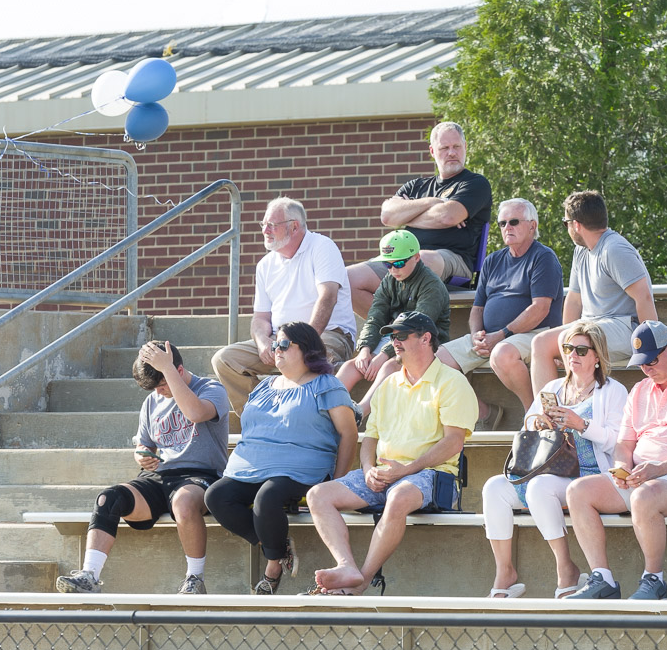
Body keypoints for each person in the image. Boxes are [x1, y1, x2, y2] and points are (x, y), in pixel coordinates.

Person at [306, 311, 478, 595]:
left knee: (398, 496)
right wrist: (367, 470)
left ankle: (361, 582)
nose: (394, 342)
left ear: (426, 338)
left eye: (402, 335)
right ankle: (346, 566)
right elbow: (370, 437)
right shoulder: (388, 384)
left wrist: (406, 470)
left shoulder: (452, 382)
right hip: (385, 474)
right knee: (317, 495)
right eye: (392, 336)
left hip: (433, 475)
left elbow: (453, 444)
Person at [565, 321, 667, 600]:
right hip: (650, 476)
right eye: (641, 363)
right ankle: (602, 579)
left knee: (643, 496)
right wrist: (620, 468)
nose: (647, 368)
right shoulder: (640, 390)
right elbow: (625, 444)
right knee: (578, 491)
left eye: (652, 360)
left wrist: (659, 469)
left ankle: (654, 580)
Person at [55, 341, 230, 595]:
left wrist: (167, 369)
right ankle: (89, 576)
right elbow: (143, 446)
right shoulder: (152, 401)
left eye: (162, 385)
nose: (159, 393)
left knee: (183, 503)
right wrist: (143, 456)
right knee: (108, 498)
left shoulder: (211, 388)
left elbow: (195, 413)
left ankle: (195, 579)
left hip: (201, 476)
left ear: (178, 370)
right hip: (159, 477)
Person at [205, 322, 359, 594]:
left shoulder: (326, 385)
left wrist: (338, 481)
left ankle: (273, 565)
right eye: (275, 344)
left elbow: (348, 433)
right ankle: (275, 543)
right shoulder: (265, 385)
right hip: (251, 467)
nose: (276, 349)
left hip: (302, 468)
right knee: (216, 497)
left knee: (268, 497)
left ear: (307, 349)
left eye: (284, 344)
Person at [481, 321, 628, 598]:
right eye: (569, 348)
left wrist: (580, 424)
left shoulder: (612, 391)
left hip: (589, 474)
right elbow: (528, 424)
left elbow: (618, 440)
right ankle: (505, 573)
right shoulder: (553, 388)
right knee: (493, 488)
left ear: (597, 356)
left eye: (582, 350)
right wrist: (539, 423)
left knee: (540, 487)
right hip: (551, 467)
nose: (573, 355)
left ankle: (566, 569)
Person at [211, 197, 357, 418]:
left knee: (319, 360)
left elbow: (328, 297)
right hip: (280, 340)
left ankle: (315, 421)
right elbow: (260, 318)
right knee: (224, 360)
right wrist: (262, 343)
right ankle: (262, 419)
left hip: (326, 334)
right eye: (263, 225)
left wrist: (303, 341)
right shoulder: (265, 265)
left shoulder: (322, 247)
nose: (265, 230)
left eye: (272, 225)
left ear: (294, 226)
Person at [437, 198, 564, 428]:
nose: (507, 228)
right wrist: (478, 335)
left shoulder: (543, 257)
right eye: (502, 223)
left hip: (535, 334)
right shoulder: (492, 260)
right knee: (435, 362)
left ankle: (534, 413)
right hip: (493, 336)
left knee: (501, 354)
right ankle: (483, 413)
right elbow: (477, 308)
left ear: (532, 226)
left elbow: (540, 308)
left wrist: (502, 335)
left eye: (514, 222)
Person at [347, 121, 492, 312]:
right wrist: (431, 202)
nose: (451, 153)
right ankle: (392, 331)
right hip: (402, 256)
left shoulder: (475, 183)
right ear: (432, 151)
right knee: (346, 279)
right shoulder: (416, 186)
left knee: (418, 259)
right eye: (444, 148)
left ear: (465, 147)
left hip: (453, 260)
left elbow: (447, 217)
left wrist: (407, 215)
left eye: (456, 146)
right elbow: (388, 216)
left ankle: (406, 331)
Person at [528, 190, 656, 397]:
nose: (567, 228)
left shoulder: (614, 249)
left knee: (567, 342)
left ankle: (566, 413)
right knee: (542, 342)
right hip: (592, 327)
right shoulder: (581, 250)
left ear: (576, 224)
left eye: (565, 222)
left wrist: (652, 347)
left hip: (623, 327)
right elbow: (574, 300)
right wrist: (564, 337)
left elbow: (644, 297)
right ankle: (550, 419)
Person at [336, 229, 450, 419]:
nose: (393, 269)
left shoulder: (432, 285)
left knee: (389, 366)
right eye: (387, 264)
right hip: (395, 337)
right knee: (352, 366)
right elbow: (375, 317)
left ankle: (359, 412)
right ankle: (320, 409)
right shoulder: (389, 280)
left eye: (398, 263)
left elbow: (416, 327)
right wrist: (365, 349)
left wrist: (382, 355)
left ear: (416, 257)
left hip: (425, 341)